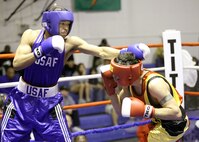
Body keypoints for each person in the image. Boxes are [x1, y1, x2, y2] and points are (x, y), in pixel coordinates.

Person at [1, 4, 125, 142]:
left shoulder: (70, 43)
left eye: (68, 24)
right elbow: (17, 63)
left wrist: (126, 53)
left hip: (49, 104)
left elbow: (101, 51)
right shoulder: (30, 36)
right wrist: (41, 50)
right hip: (22, 102)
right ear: (50, 22)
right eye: (62, 24)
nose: (66, 28)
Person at [100, 46, 189, 142]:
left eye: (117, 75)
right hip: (158, 123)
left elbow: (177, 113)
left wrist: (147, 111)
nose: (114, 77)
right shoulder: (129, 85)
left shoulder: (154, 85)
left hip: (175, 125)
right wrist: (111, 91)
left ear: (128, 75)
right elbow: (119, 111)